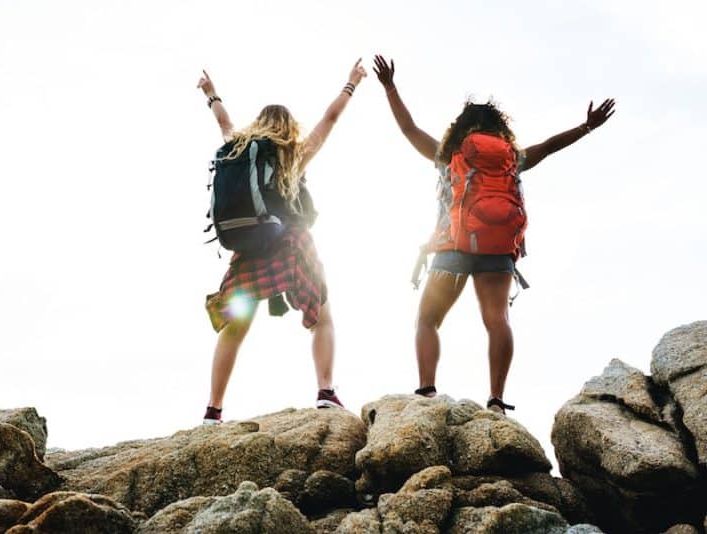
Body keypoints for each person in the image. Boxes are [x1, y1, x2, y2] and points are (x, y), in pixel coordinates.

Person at [372, 54, 615, 413]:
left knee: (427, 319)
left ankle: (426, 392)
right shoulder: (512, 158)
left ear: (463, 128)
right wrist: (587, 127)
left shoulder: (450, 154)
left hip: (453, 244)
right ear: (499, 130)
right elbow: (548, 146)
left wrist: (390, 87)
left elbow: (409, 129)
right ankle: (497, 401)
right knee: (497, 320)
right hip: (498, 248)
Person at [197, 60, 367, 425]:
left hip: (247, 249)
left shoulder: (239, 148)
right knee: (322, 315)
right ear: (288, 128)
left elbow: (224, 122)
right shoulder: (291, 156)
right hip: (290, 244)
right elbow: (330, 119)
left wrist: (212, 94)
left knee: (235, 326)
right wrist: (350, 84)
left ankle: (213, 409)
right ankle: (325, 391)